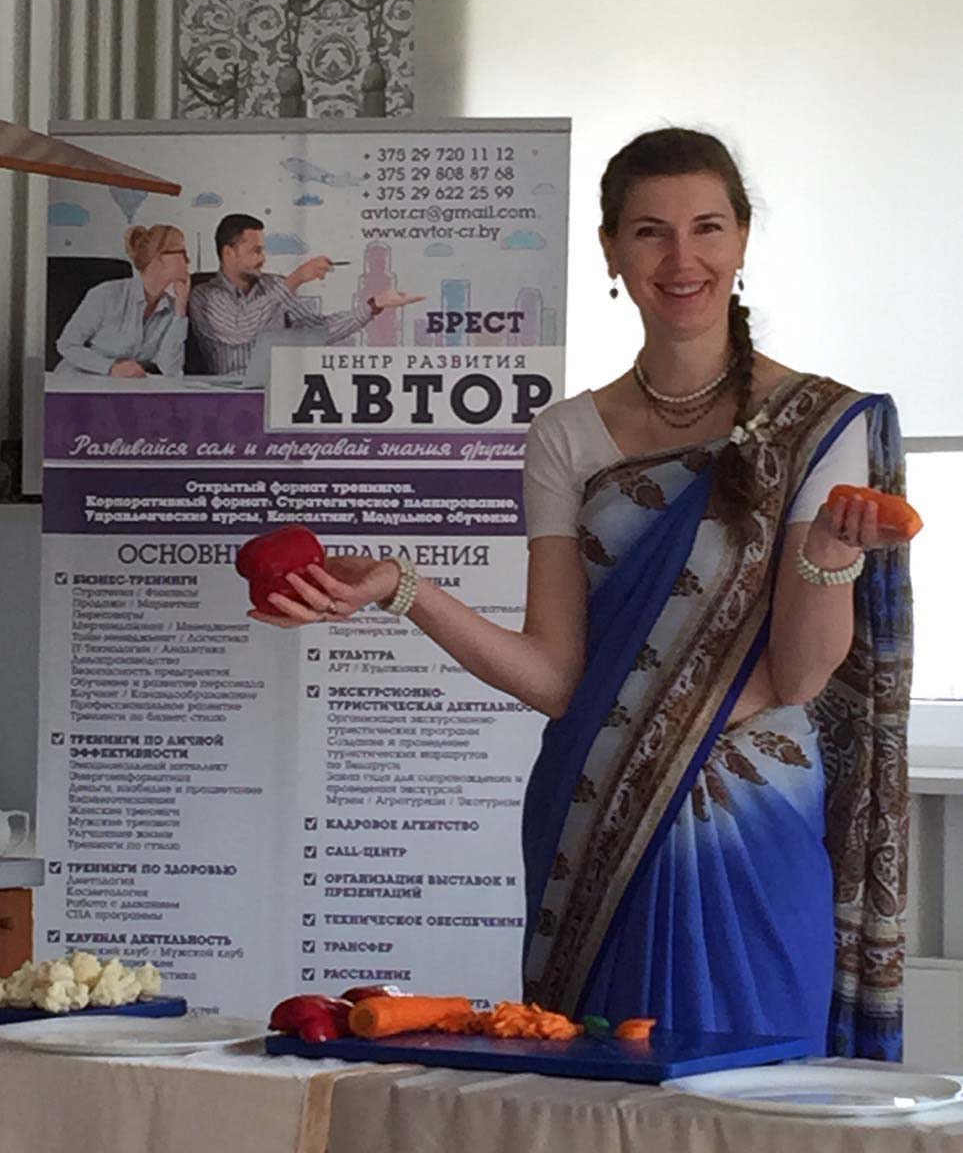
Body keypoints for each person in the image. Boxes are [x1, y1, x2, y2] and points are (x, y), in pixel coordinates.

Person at [250, 129, 913, 1061]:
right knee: (601, 1088)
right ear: (609, 251)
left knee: (760, 1086)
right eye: (649, 232)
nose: (680, 260)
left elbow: (798, 676)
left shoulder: (817, 423)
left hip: (752, 818)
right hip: (593, 813)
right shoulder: (564, 437)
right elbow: (558, 676)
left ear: (741, 239)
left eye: (705, 228)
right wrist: (405, 588)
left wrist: (830, 556)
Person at [188, 213, 423, 375]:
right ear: (229, 253)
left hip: (280, 393)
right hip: (227, 398)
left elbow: (317, 330)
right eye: (255, 251)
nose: (263, 259)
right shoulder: (204, 295)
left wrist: (374, 305)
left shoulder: (274, 286)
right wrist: (296, 278)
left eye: (263, 250)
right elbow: (241, 329)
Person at [55, 224, 189, 377]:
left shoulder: (171, 307)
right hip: (77, 381)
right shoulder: (107, 295)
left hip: (123, 388)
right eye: (183, 253)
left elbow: (170, 369)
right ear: (158, 259)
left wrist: (180, 311)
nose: (188, 261)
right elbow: (67, 345)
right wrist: (110, 368)